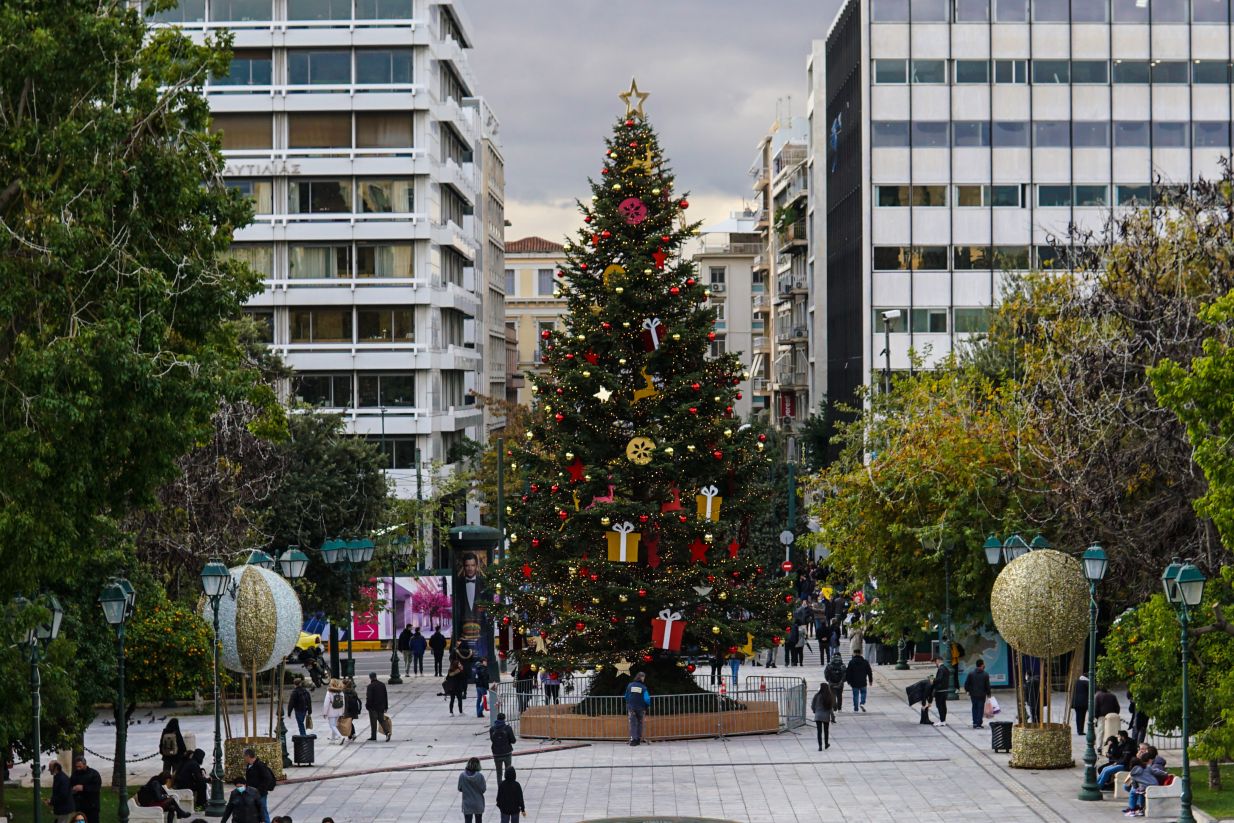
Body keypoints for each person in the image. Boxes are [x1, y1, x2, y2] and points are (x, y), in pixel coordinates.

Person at [243, 748, 276, 823]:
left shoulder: (260, 765)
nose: (244, 758)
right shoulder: (249, 765)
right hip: (251, 793)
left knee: (263, 811)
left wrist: (259, 790)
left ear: (248, 756)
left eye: (244, 756)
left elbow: (267, 778)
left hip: (260, 794)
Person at [70, 755, 102, 823]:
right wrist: (73, 790)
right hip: (79, 807)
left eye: (80, 766)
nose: (78, 768)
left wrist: (83, 788)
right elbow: (70, 786)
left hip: (92, 807)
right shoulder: (75, 774)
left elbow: (96, 788)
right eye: (76, 767)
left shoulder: (94, 774)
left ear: (85, 765)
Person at [624, 672, 650, 746]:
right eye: (643, 677)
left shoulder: (630, 685)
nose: (644, 679)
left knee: (633, 723)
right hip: (640, 708)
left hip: (631, 708)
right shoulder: (643, 687)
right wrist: (646, 706)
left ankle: (634, 740)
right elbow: (647, 699)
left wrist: (629, 703)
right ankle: (638, 739)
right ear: (641, 678)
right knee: (640, 723)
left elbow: (626, 696)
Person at [457, 757, 487, 823]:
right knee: (479, 821)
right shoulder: (480, 776)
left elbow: (459, 788)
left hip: (467, 803)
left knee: (468, 821)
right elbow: (483, 789)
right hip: (478, 803)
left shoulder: (462, 776)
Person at [489, 712, 516, 783]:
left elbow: (492, 740)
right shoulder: (508, 728)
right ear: (504, 719)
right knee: (509, 773)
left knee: (499, 773)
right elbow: (513, 741)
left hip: (497, 754)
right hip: (507, 753)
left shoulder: (492, 729)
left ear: (497, 719)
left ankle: (500, 789)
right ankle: (508, 789)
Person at [964, 658, 992, 729]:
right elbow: (987, 685)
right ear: (982, 665)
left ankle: (975, 722)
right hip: (982, 695)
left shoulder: (971, 674)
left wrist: (968, 691)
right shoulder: (985, 674)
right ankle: (979, 723)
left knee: (974, 707)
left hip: (973, 694)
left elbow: (966, 684)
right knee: (980, 708)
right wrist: (989, 693)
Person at [811, 682, 836, 751]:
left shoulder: (817, 695)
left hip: (818, 716)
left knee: (819, 731)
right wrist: (833, 718)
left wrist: (814, 711)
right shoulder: (829, 696)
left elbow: (813, 705)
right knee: (826, 731)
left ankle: (820, 746)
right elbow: (831, 709)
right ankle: (826, 744)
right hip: (826, 717)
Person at [365, 672, 390, 742]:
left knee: (373, 722)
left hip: (373, 707)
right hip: (381, 706)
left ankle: (373, 736)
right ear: (376, 676)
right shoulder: (382, 685)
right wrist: (386, 706)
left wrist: (367, 706)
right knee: (382, 720)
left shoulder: (370, 686)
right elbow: (385, 696)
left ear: (370, 677)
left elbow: (369, 698)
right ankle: (387, 732)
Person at [928, 655, 951, 727]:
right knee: (943, 705)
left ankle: (942, 720)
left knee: (940, 706)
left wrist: (932, 680)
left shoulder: (941, 669)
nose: (935, 663)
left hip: (940, 690)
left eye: (935, 662)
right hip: (945, 689)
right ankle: (943, 720)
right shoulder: (946, 668)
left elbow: (940, 679)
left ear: (938, 660)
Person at [322, 678, 346, 744]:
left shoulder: (329, 692)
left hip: (331, 711)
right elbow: (343, 702)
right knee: (334, 725)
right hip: (339, 711)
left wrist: (324, 713)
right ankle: (332, 739)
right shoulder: (341, 692)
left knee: (332, 725)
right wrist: (342, 712)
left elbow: (326, 703)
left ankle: (340, 737)